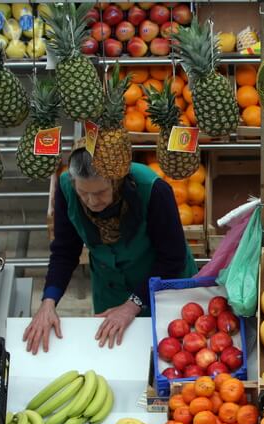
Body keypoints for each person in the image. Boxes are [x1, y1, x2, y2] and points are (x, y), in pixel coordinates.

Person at [23, 148, 197, 353]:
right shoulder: (66, 188)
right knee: (120, 356)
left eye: (99, 192)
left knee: (174, 351)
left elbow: (172, 258)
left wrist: (132, 306)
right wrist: (48, 302)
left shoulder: (153, 189)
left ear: (116, 180)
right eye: (83, 193)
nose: (92, 201)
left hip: (165, 285)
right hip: (111, 290)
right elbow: (65, 250)